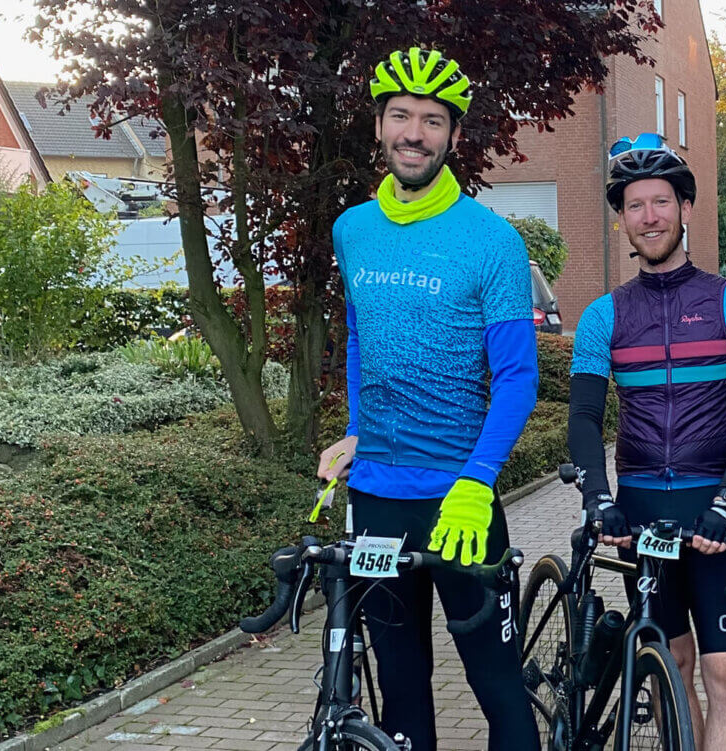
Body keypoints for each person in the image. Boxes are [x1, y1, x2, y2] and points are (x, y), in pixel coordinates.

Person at [316, 47, 541, 751]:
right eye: (401, 115)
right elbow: (360, 338)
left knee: (499, 688)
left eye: (433, 120)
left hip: (459, 502)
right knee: (402, 690)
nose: (415, 132)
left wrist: (477, 480)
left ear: (453, 136)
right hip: (377, 494)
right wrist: (357, 428)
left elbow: (517, 376)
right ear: (378, 125)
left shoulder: (491, 241)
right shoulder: (352, 230)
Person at [568, 132, 726, 750]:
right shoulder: (603, 315)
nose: (649, 216)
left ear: (685, 209)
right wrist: (598, 499)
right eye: (635, 206)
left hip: (712, 506)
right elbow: (582, 419)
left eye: (660, 202)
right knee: (671, 666)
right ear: (622, 221)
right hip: (640, 509)